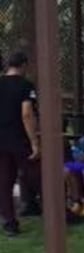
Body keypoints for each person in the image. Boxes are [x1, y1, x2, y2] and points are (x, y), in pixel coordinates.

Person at [0, 50, 39, 237]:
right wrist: (34, 142)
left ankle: (9, 221)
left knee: (5, 181)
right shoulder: (25, 86)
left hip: (1, 139)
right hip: (19, 139)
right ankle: (58, 213)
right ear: (23, 65)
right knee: (37, 173)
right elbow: (27, 114)